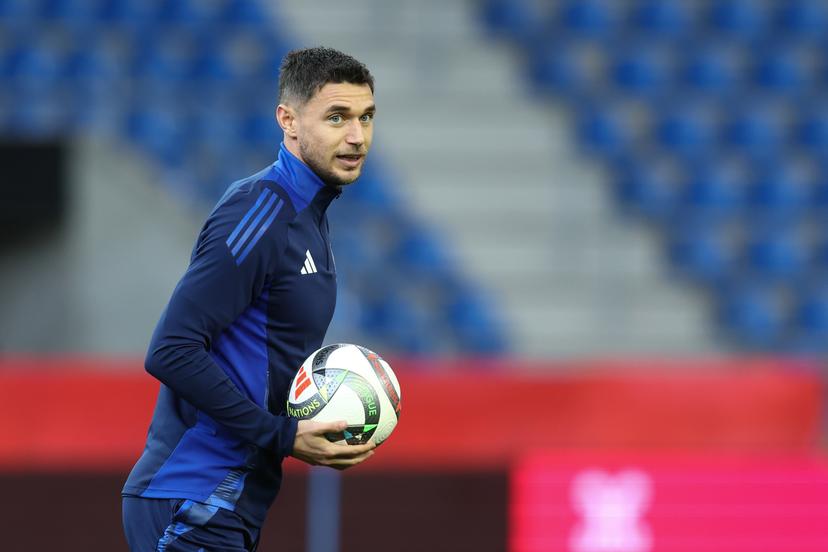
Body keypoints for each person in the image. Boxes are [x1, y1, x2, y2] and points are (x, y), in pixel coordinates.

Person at [122, 46, 378, 551]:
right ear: (288, 120)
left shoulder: (310, 216)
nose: (357, 136)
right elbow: (171, 349)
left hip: (229, 501)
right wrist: (282, 435)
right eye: (336, 117)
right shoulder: (261, 210)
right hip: (193, 498)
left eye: (366, 117)